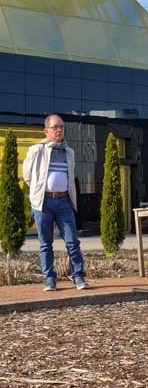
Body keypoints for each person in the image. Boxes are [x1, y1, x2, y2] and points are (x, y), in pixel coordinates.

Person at [23, 114, 88, 291]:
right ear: (46, 130)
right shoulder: (36, 150)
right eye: (55, 127)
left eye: (61, 127)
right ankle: (49, 279)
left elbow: (69, 176)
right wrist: (41, 191)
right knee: (45, 243)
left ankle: (78, 277)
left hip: (64, 202)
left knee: (72, 241)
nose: (59, 130)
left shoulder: (69, 152)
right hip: (43, 203)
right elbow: (27, 176)